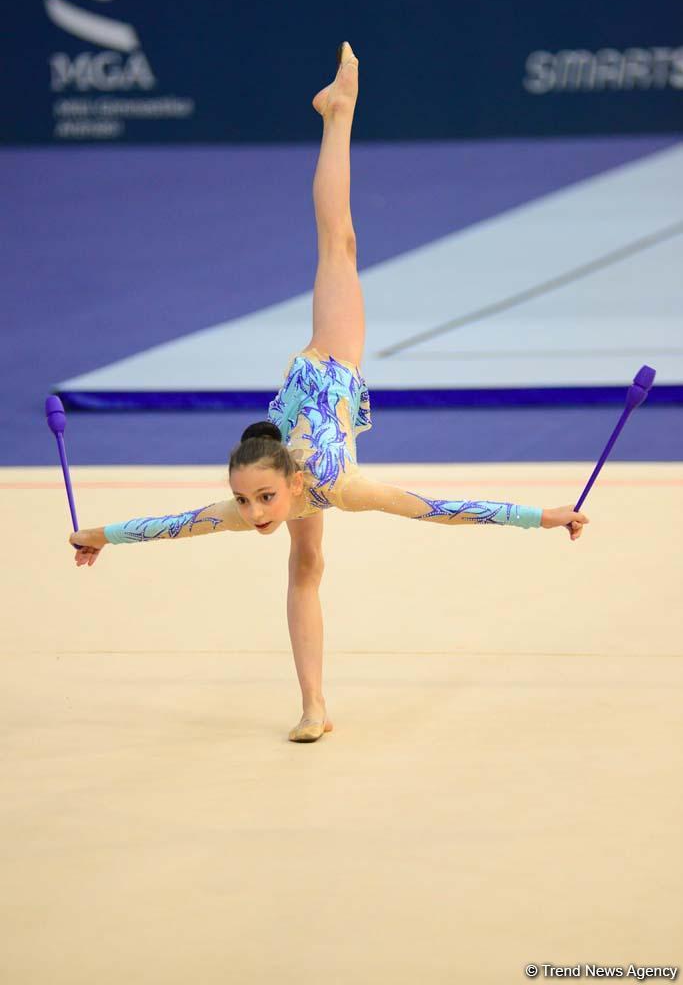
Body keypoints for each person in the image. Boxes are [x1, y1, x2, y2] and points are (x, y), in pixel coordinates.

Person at [69, 42, 590, 743]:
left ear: (286, 481)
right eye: (249, 499)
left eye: (262, 499)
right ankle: (313, 706)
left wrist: (541, 517)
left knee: (338, 241)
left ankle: (335, 113)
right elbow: (165, 525)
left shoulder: (336, 483)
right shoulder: (255, 499)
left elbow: (443, 510)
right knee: (306, 560)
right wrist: (96, 537)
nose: (253, 513)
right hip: (293, 416)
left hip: (326, 364)